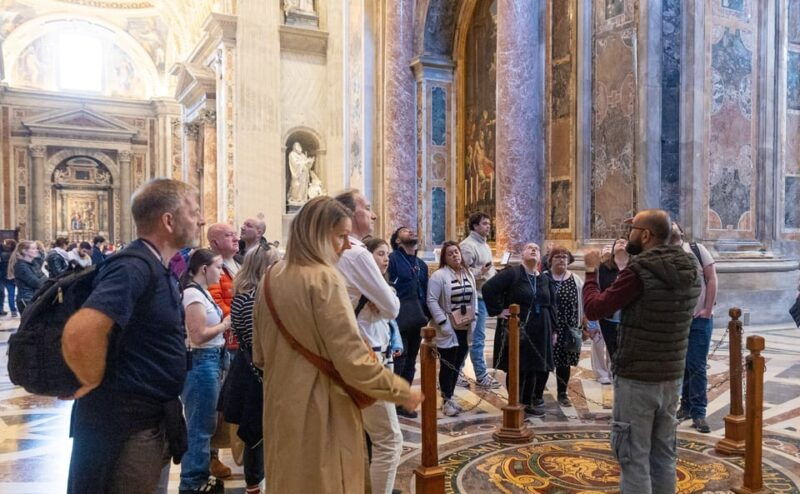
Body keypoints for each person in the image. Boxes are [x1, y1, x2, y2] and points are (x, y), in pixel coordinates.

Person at [252, 196, 421, 493]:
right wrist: (401, 391)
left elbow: (260, 353)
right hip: (320, 408)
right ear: (317, 233)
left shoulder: (270, 276)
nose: (345, 246)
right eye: (341, 236)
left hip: (280, 404)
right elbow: (353, 358)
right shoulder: (324, 279)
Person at [62, 178, 205, 494]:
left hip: (148, 420)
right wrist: (90, 379)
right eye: (194, 212)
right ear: (168, 221)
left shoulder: (157, 265)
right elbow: (81, 330)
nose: (200, 220)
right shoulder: (133, 266)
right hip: (125, 427)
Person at [582, 209, 701, 494]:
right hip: (671, 376)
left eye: (632, 228)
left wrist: (590, 271)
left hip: (637, 378)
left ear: (646, 235)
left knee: (633, 456)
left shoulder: (639, 272)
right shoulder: (690, 268)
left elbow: (596, 308)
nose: (628, 234)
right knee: (663, 455)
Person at [226, 244, 280, 494]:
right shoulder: (253, 297)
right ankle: (255, 485)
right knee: (255, 432)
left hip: (251, 368)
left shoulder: (246, 293)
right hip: (257, 371)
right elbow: (257, 338)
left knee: (258, 431)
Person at [482, 242, 556, 417]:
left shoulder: (544, 278)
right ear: (522, 254)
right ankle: (515, 402)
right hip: (518, 330)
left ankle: (527, 402)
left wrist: (554, 329)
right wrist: (498, 311)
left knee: (535, 367)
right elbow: (488, 289)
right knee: (518, 367)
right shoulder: (512, 274)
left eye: (537, 249)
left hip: (541, 328)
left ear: (540, 257)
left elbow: (552, 304)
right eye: (530, 248)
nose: (533, 250)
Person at [179, 249, 231, 494]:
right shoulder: (192, 294)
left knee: (206, 424)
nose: (220, 272)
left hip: (212, 359)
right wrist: (224, 325)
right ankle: (192, 483)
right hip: (201, 362)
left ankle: (198, 479)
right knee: (199, 426)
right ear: (203, 268)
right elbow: (198, 335)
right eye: (217, 267)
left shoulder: (202, 293)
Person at [359, 237, 406, 493]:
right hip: (370, 364)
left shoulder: (378, 286)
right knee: (390, 439)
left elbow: (388, 320)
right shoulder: (364, 288)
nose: (386, 258)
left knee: (372, 437)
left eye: (387, 254)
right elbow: (392, 310)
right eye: (379, 253)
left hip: (382, 360)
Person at [672, 222, 718, 433]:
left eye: (674, 224)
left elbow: (711, 278)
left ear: (681, 230)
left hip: (699, 318)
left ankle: (699, 412)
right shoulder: (663, 254)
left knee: (697, 365)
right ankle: (686, 406)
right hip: (676, 320)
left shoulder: (697, 250)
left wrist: (708, 309)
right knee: (682, 365)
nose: (671, 227)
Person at [427, 241, 477, 417]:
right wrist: (442, 322)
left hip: (464, 324)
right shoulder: (439, 276)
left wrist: (475, 315)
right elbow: (432, 300)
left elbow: (474, 296)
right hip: (448, 326)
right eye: (450, 253)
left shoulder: (467, 273)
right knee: (448, 363)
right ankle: (446, 399)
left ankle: (450, 396)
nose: (455, 255)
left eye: (456, 252)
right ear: (444, 258)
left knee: (458, 363)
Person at [387, 226, 430, 418]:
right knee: (400, 359)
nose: (411, 232)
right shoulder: (393, 260)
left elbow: (426, 291)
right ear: (397, 240)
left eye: (412, 230)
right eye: (405, 231)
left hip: (417, 318)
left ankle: (403, 402)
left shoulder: (422, 264)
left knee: (412, 361)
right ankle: (393, 402)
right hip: (399, 318)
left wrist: (427, 315)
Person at [458, 212, 501, 389]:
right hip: (472, 299)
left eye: (488, 223)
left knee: (476, 337)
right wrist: (481, 272)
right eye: (484, 223)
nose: (488, 226)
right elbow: (461, 274)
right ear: (475, 226)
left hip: (484, 296)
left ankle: (461, 371)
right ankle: (479, 374)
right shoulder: (467, 246)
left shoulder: (484, 245)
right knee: (475, 338)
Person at [544, 246, 584, 407]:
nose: (562, 259)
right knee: (544, 360)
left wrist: (584, 325)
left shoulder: (575, 279)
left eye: (565, 257)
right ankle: (537, 392)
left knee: (564, 361)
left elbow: (582, 304)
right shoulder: (544, 278)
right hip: (548, 326)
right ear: (550, 260)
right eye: (558, 257)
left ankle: (562, 392)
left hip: (568, 327)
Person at [598, 238, 629, 362]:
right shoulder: (604, 268)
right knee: (614, 354)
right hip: (609, 319)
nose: (621, 243)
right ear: (613, 249)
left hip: (630, 319)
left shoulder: (636, 266)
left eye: (625, 242)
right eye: (618, 242)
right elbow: (598, 291)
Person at [12, 241, 47, 315]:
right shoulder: (21, 266)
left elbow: (45, 279)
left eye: (36, 248)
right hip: (26, 299)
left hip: (35, 298)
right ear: (24, 251)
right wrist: (44, 276)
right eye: (33, 248)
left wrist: (43, 277)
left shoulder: (34, 263)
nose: (37, 250)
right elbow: (37, 283)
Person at [0, 239, 15, 316]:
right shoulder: (14, 254)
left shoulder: (4, 254)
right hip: (8, 275)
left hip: (3, 275)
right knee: (7, 293)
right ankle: (12, 310)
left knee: (2, 293)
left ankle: (1, 309)